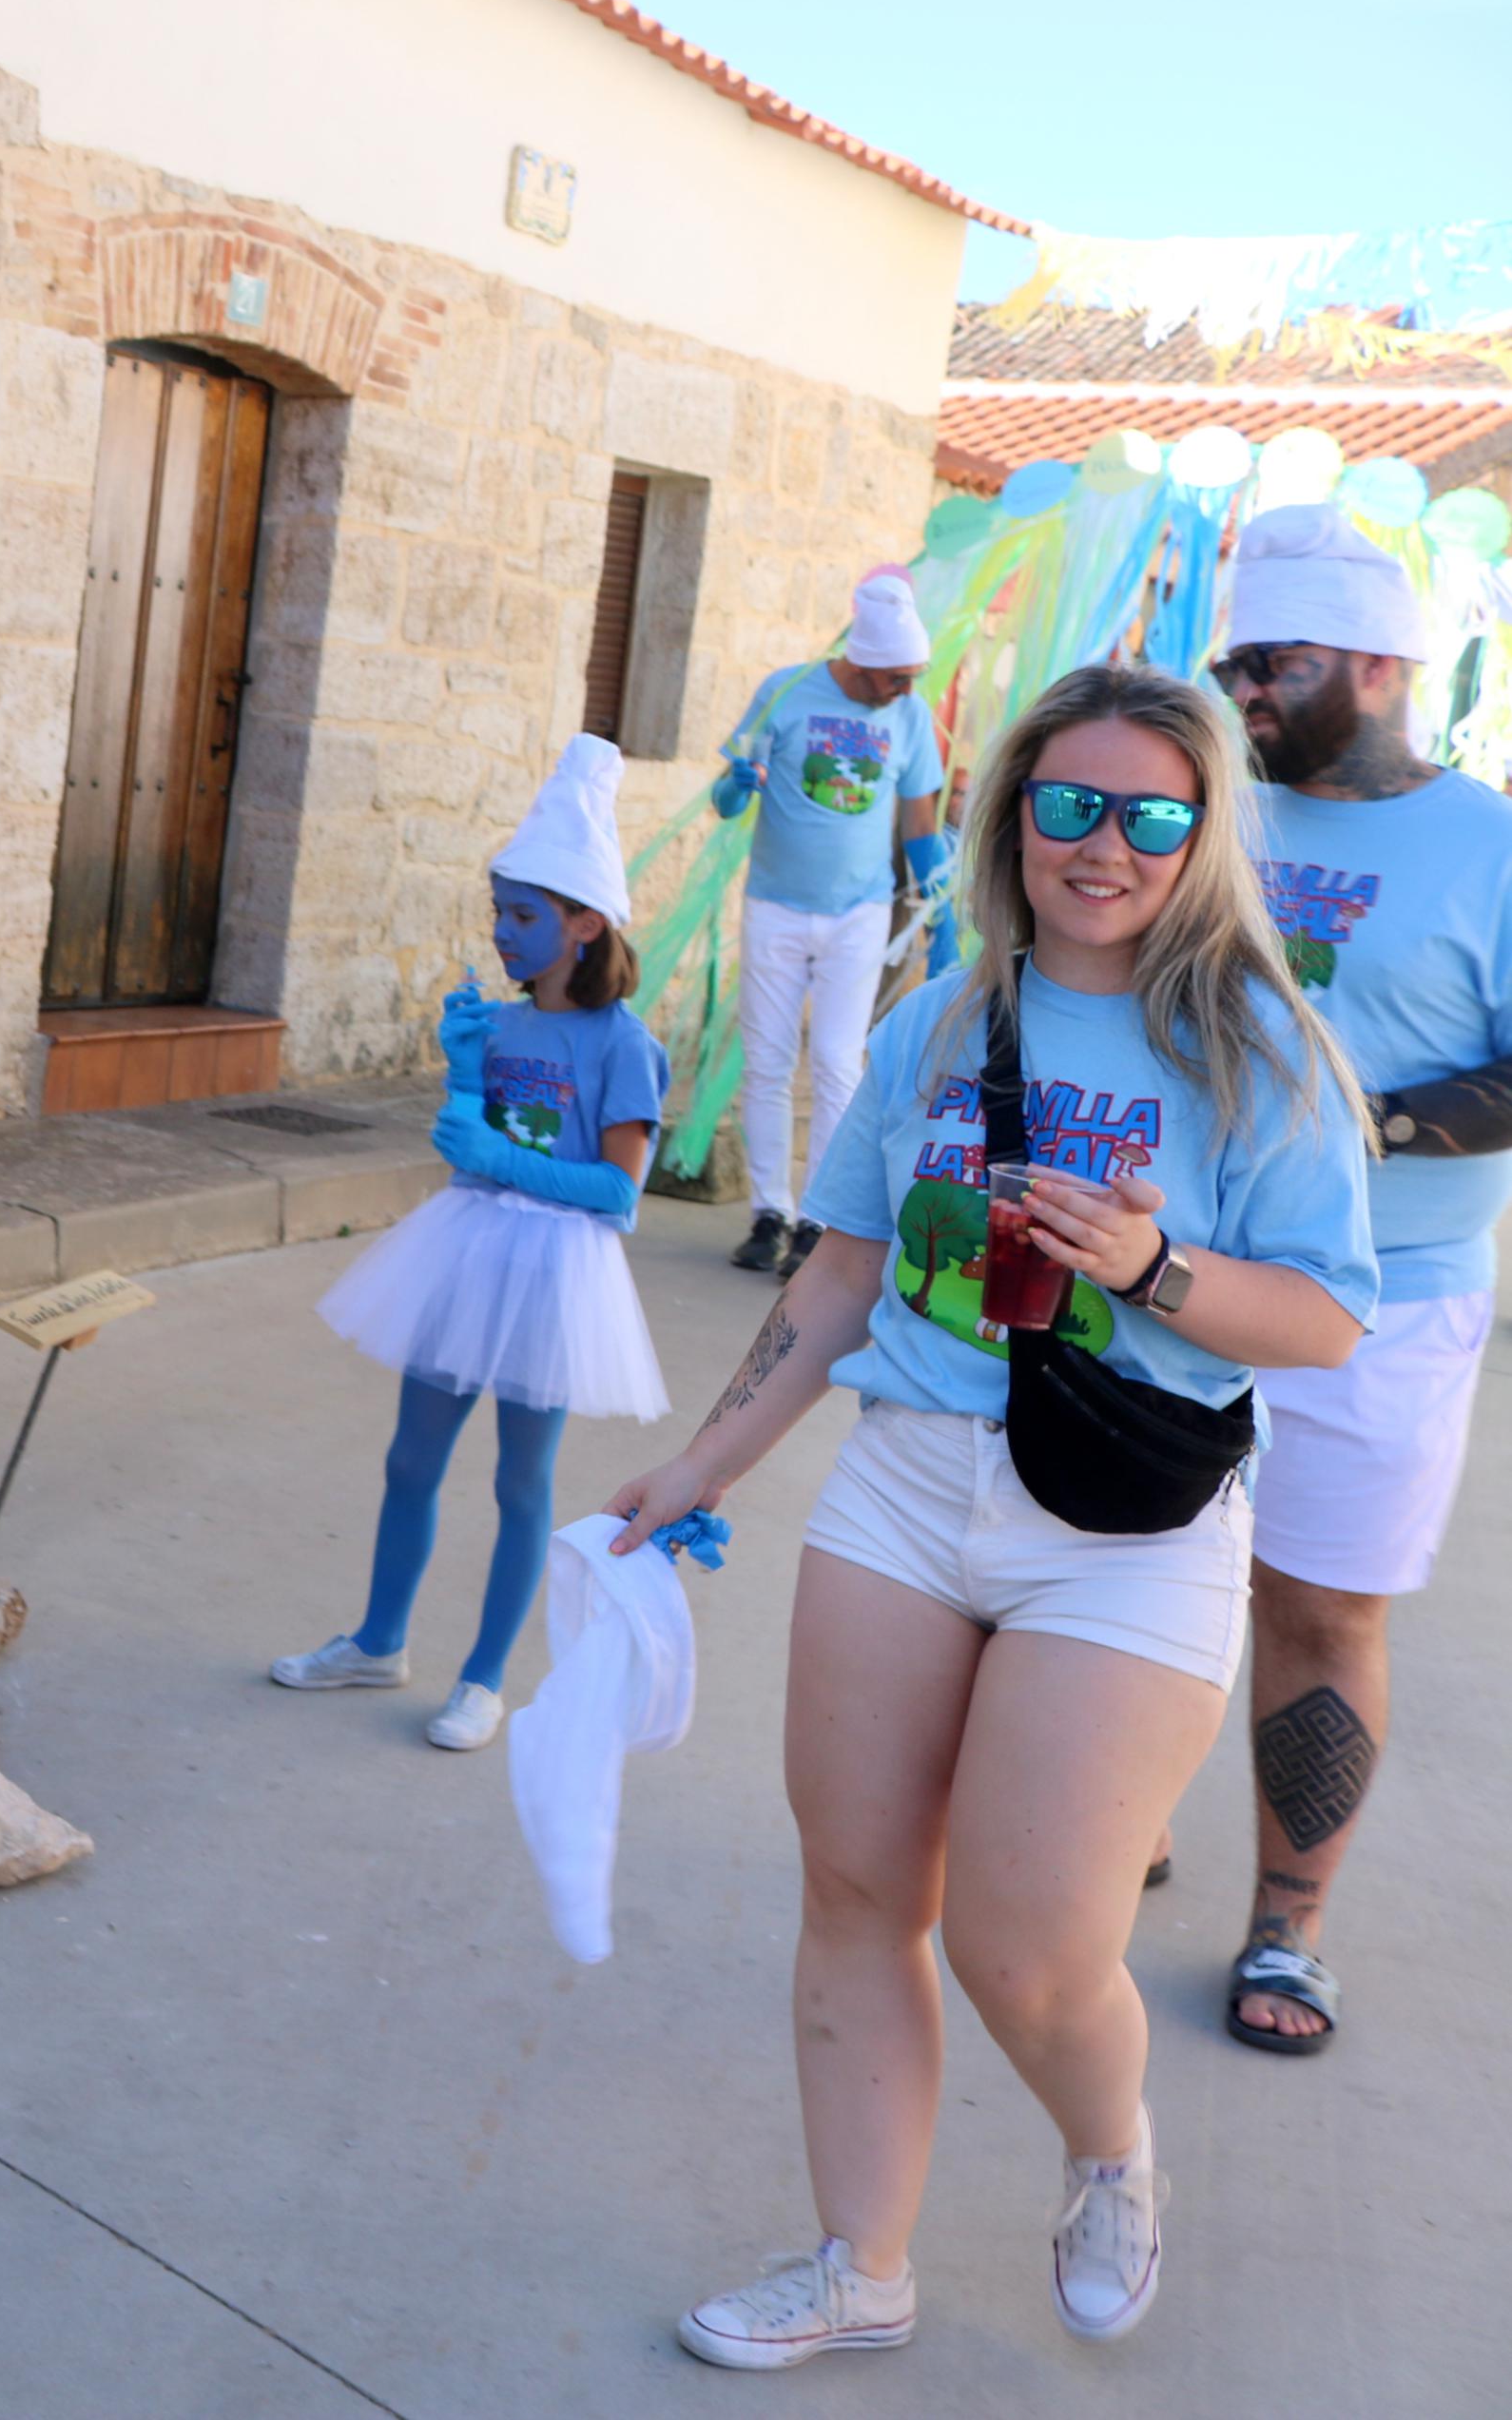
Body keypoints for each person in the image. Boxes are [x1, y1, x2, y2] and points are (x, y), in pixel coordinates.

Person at [605, 663, 1374, 2367]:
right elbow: (847, 1263)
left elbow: (1323, 1318)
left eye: (1149, 816)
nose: (1102, 845)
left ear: (1200, 838)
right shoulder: (942, 1017)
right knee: (857, 1894)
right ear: (1009, 814)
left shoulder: (1257, 1045)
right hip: (903, 1483)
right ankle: (855, 2268)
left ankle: (1109, 2153)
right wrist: (700, 1463)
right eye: (1068, 805)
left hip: (1124, 1515)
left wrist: (1152, 1267)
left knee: (1029, 1950)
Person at [1208, 502, 1512, 2056]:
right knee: (1124, 1562)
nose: (1242, 688)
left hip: (1388, 1296)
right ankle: (1098, 1820)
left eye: (1275, 661)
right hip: (1169, 1269)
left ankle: (1288, 1923)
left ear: (1380, 665)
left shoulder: (1489, 845)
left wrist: (1358, 1125)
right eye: (1232, 660)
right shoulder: (1201, 809)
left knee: (1318, 1613)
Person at [286, 736, 672, 1751]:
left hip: (553, 1273)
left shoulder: (623, 1046)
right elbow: (467, 1151)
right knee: (409, 1459)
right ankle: (376, 1639)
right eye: (497, 911)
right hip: (464, 1255)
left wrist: (495, 1156)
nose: (501, 933)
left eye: (522, 915)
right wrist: (463, 1073)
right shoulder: (499, 1025)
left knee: (518, 1482)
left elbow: (616, 1193)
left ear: (582, 924)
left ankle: (483, 1676)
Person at [713, 568, 952, 1279]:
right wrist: (732, 788)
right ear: (863, 663)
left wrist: (940, 898)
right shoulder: (786, 692)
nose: (906, 690)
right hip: (776, 904)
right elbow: (728, 798)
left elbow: (918, 820)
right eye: (896, 677)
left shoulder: (907, 718)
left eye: (914, 675)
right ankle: (768, 1212)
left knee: (838, 1063)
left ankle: (816, 1221)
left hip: (859, 911)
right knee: (766, 1061)